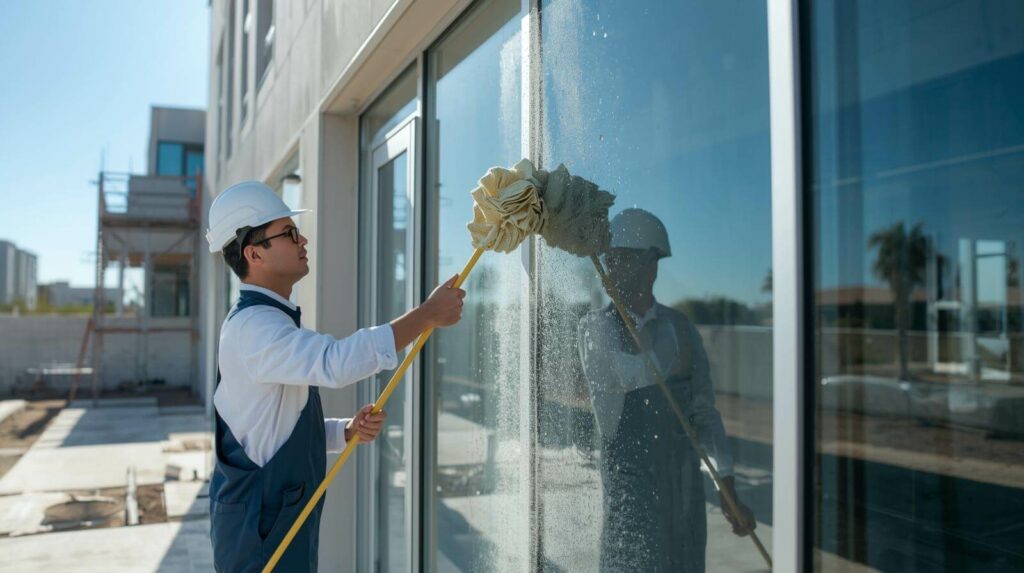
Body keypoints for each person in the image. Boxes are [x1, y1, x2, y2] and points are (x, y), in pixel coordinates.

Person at [206, 181, 465, 572]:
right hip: (257, 536)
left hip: (269, 522)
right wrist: (426, 315)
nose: (302, 239)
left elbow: (273, 427)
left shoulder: (267, 321)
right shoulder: (254, 328)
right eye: (289, 233)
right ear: (254, 253)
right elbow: (335, 362)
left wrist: (344, 431)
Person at [577, 208, 755, 571]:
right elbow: (622, 376)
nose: (611, 269)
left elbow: (705, 414)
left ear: (651, 267)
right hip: (630, 516)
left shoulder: (681, 327)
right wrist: (674, 357)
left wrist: (727, 483)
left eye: (623, 259)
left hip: (685, 510)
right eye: (610, 259)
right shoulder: (594, 329)